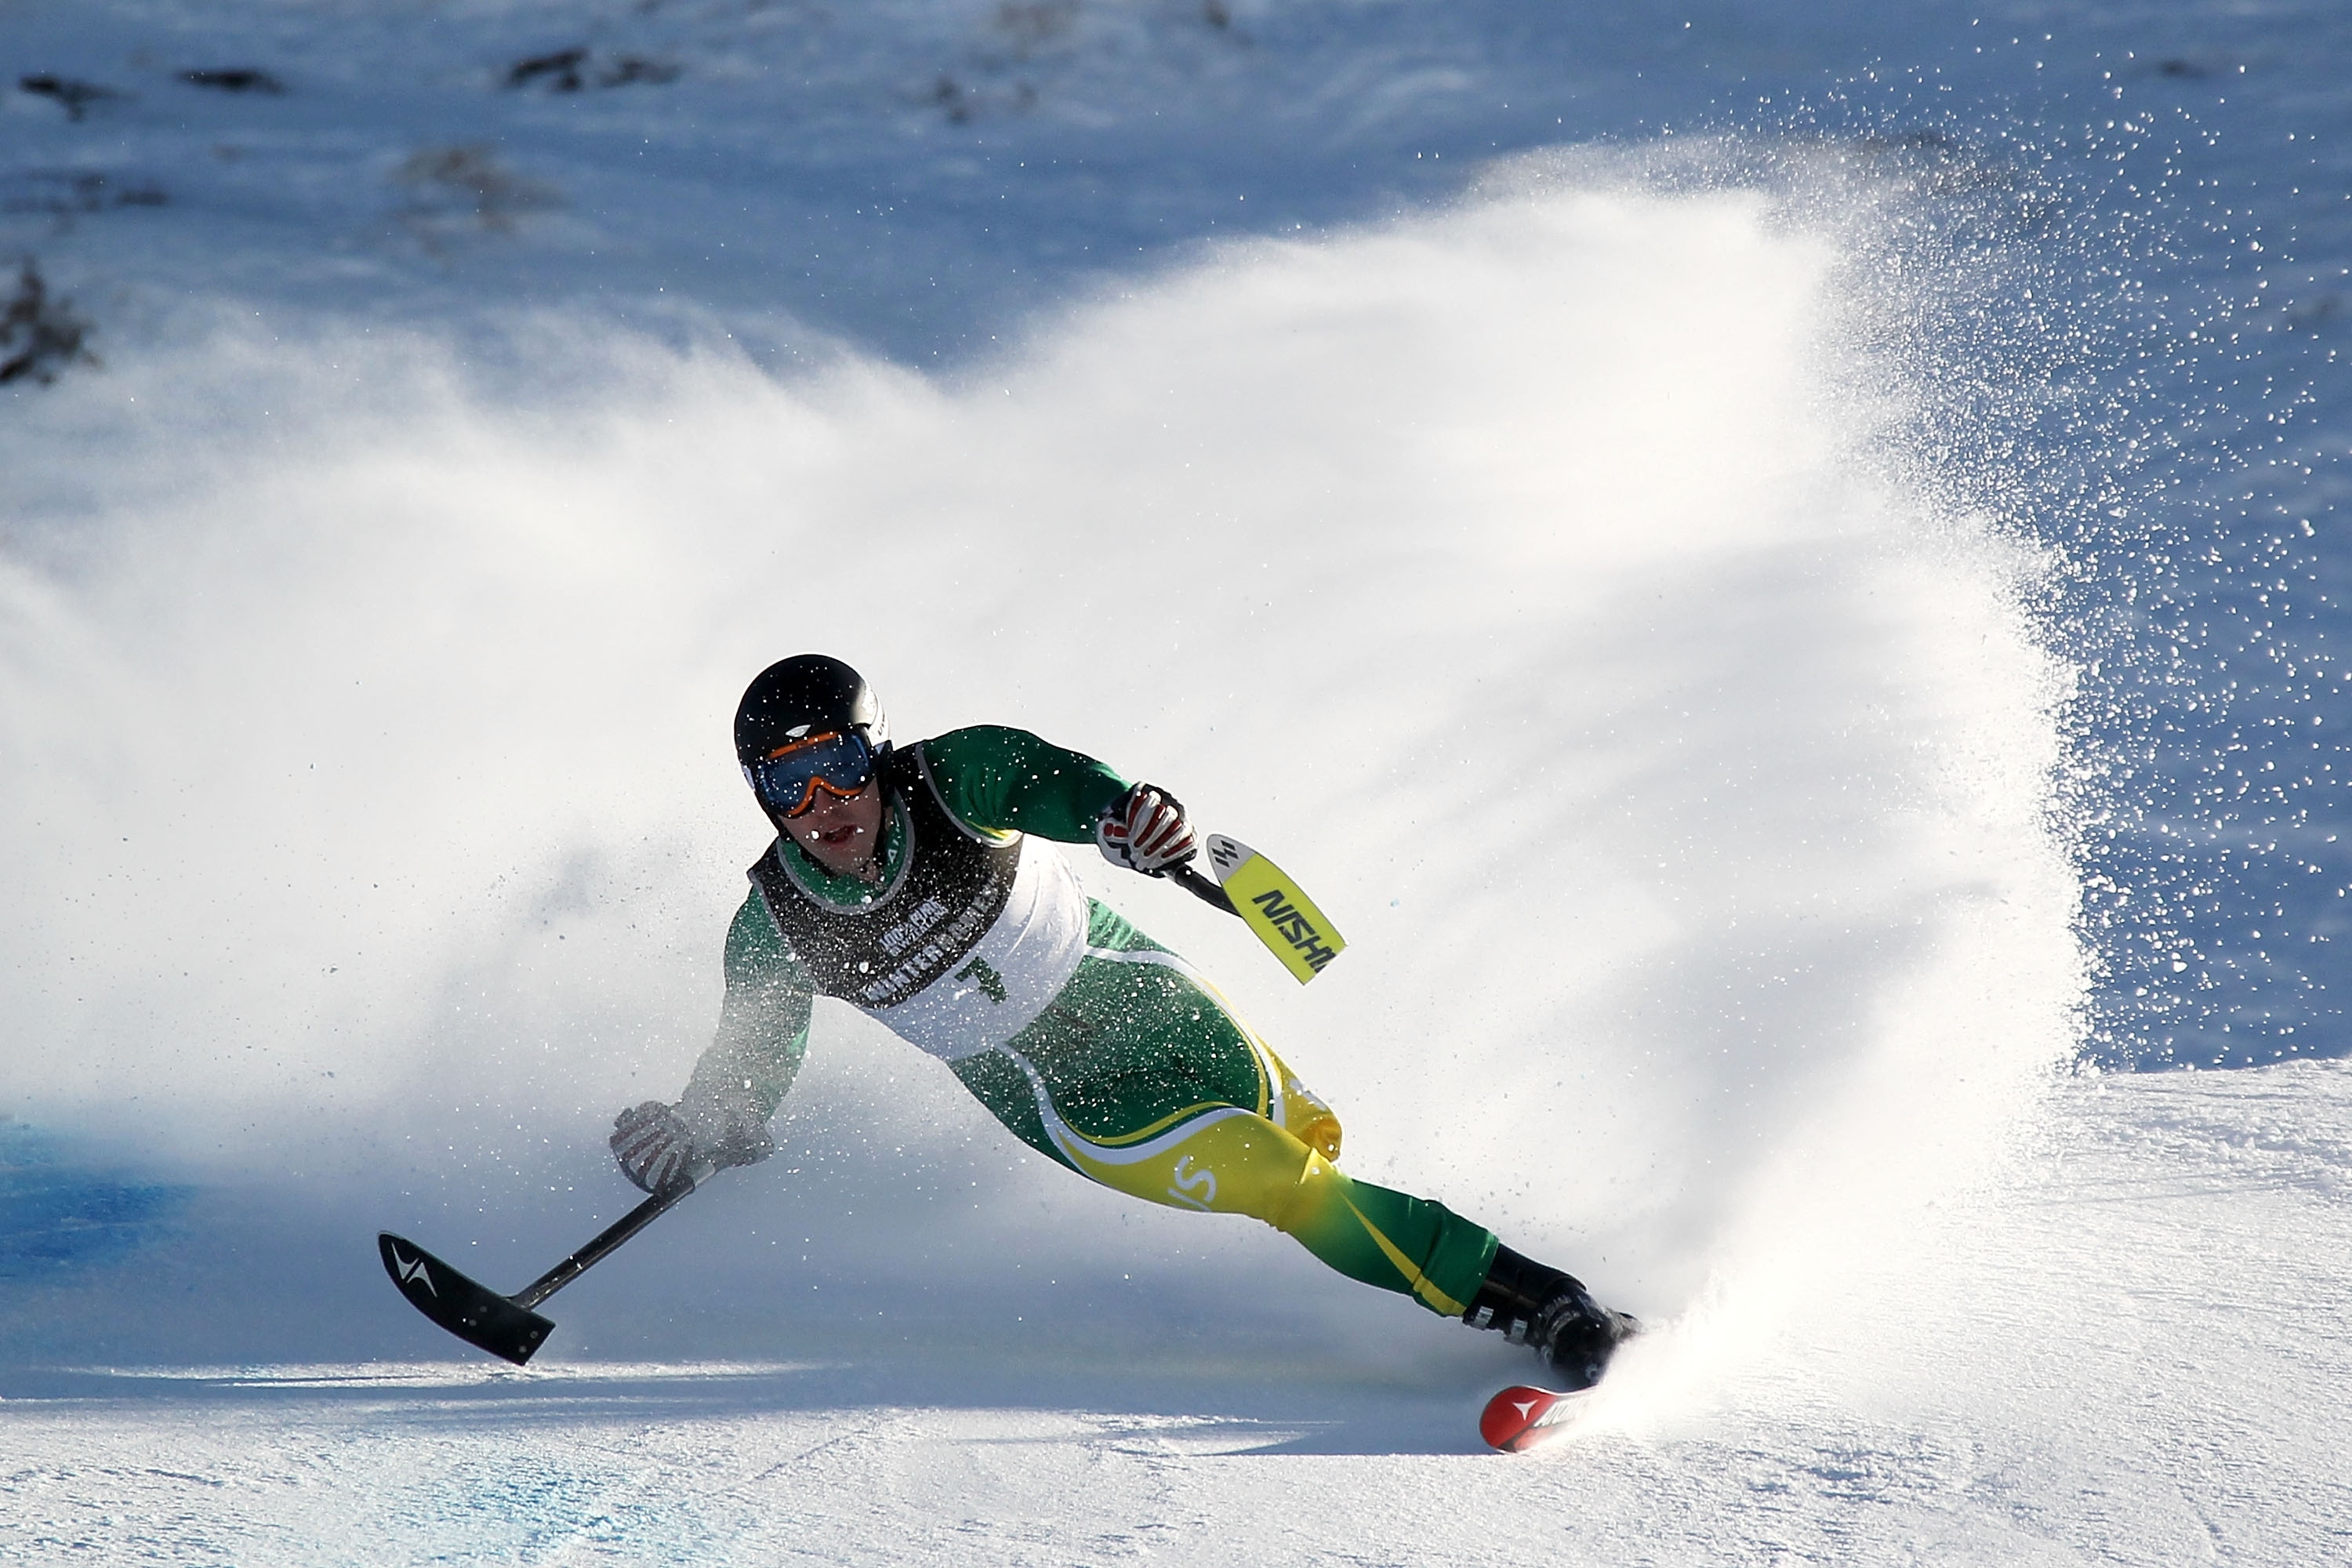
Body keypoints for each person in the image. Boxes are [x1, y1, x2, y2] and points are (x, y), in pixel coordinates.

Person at [610, 655, 1638, 1387]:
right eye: (786, 782)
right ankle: (1537, 1301)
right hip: (1069, 1100)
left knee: (1315, 1141)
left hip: (1147, 995)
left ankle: (1424, 1265)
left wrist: (1131, 821)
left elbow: (1067, 787)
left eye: (836, 764)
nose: (822, 801)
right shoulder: (776, 927)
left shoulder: (957, 776)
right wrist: (705, 1120)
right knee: (1290, 1186)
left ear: (875, 755)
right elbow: (750, 1059)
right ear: (763, 797)